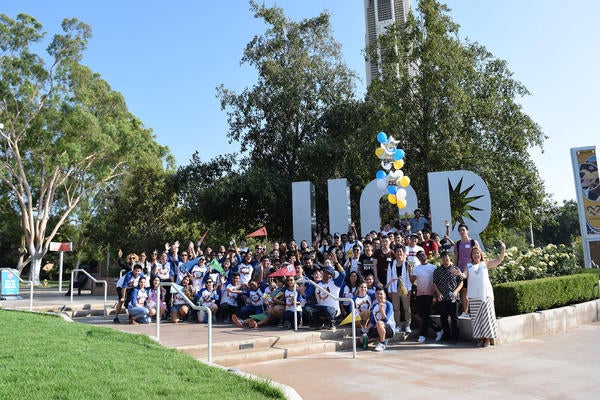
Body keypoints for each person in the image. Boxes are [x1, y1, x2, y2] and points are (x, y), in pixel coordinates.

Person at [456, 242, 506, 347]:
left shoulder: (485, 263)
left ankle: (487, 339)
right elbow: (464, 275)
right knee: (477, 319)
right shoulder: (468, 266)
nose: (476, 255)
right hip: (474, 296)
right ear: (471, 255)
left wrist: (503, 249)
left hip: (486, 295)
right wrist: (459, 273)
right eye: (474, 253)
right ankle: (481, 339)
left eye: (477, 253)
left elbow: (499, 260)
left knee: (486, 318)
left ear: (480, 254)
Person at [304, 253, 345, 330]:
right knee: (307, 308)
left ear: (331, 275)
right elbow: (307, 295)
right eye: (325, 272)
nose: (326, 274)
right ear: (322, 273)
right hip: (321, 309)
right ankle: (318, 323)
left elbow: (343, 274)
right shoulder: (317, 284)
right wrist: (301, 288)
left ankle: (331, 323)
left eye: (329, 273)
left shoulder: (335, 283)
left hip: (333, 310)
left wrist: (336, 262)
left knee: (328, 310)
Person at [410, 250, 443, 343]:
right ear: (418, 258)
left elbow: (437, 282)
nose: (422, 256)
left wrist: (436, 295)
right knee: (421, 313)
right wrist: (409, 270)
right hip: (420, 293)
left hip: (430, 294)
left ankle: (422, 335)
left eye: (423, 254)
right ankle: (438, 329)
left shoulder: (433, 267)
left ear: (426, 255)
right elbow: (412, 281)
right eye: (420, 255)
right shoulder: (416, 268)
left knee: (425, 314)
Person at [433, 251, 463, 343]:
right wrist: (438, 293)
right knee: (443, 318)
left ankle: (455, 338)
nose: (445, 259)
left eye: (446, 257)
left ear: (450, 258)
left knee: (454, 318)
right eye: (443, 258)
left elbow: (461, 282)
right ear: (441, 259)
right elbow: (435, 283)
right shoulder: (437, 270)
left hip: (453, 297)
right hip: (442, 298)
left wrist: (456, 291)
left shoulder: (455, 269)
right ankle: (447, 336)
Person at [454, 223, 479, 318]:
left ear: (467, 231)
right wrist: (455, 269)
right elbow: (456, 257)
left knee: (475, 292)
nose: (461, 232)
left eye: (463, 230)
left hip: (473, 271)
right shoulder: (458, 244)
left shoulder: (473, 242)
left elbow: (479, 255)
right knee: (464, 292)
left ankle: (476, 312)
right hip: (461, 272)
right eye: (460, 230)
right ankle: (465, 312)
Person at [388, 246, 412, 334]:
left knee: (406, 308)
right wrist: (389, 290)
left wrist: (409, 289)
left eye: (400, 251)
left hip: (405, 288)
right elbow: (389, 277)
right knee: (396, 308)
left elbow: (409, 278)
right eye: (397, 251)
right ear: (395, 253)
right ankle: (398, 325)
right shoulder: (391, 264)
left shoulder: (406, 264)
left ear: (403, 252)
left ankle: (407, 325)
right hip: (394, 288)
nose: (399, 253)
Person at [366, 287, 396, 352]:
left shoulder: (389, 304)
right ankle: (381, 338)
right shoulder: (374, 306)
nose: (379, 296)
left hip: (389, 328)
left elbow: (385, 320)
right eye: (377, 294)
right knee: (362, 339)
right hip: (378, 328)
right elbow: (372, 321)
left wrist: (381, 309)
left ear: (384, 295)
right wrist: (366, 329)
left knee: (380, 322)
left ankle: (382, 343)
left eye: (381, 294)